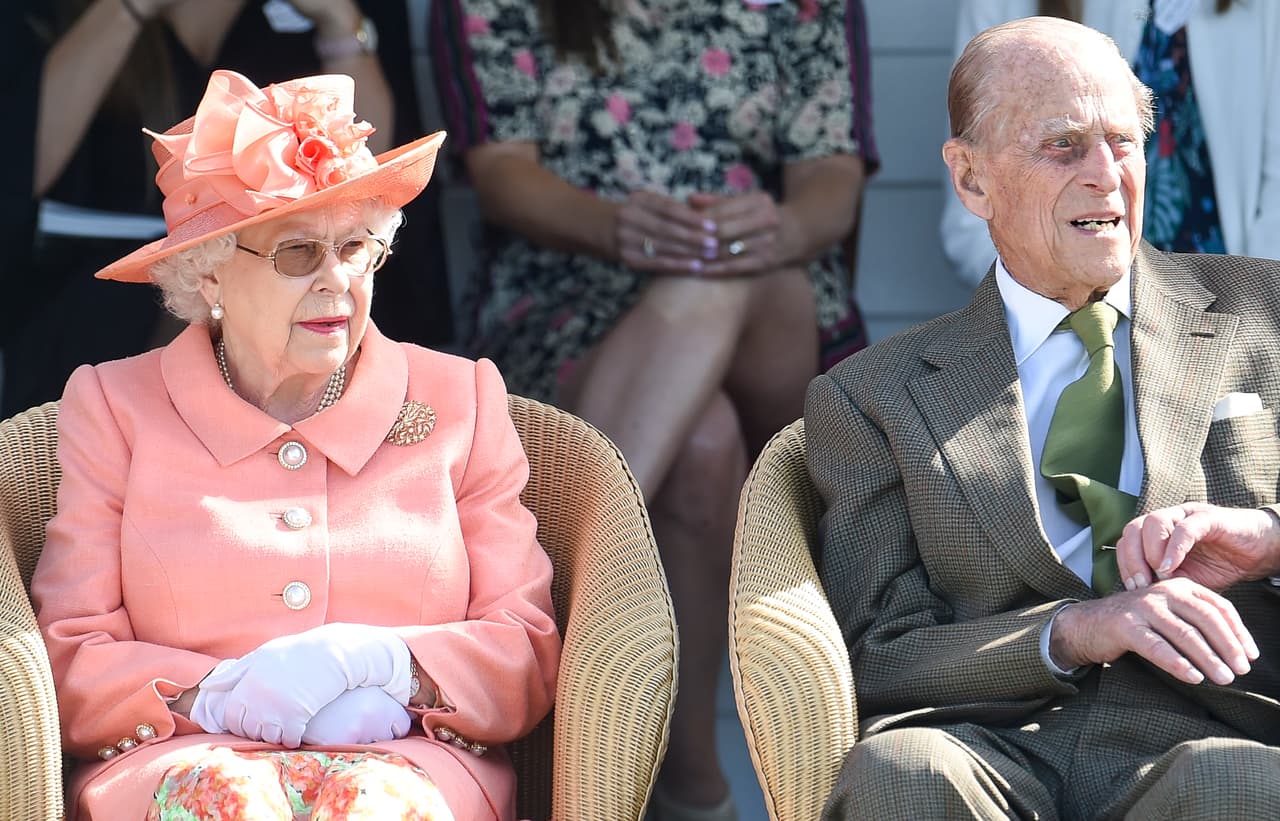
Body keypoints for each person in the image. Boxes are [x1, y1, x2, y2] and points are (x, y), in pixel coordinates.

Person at [30, 69, 561, 820]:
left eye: (356, 247)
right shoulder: (114, 407)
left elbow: (526, 650)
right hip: (179, 761)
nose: (338, 282)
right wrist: (215, 695)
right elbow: (69, 656)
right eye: (298, 254)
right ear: (207, 270)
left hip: (407, 764)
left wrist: (389, 667)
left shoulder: (460, 399)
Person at [808, 17, 1280, 819]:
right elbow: (880, 653)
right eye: (1063, 145)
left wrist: (1269, 539)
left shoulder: (1265, 310)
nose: (1105, 175)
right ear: (972, 180)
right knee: (902, 772)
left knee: (1238, 786)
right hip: (992, 743)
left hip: (1224, 725)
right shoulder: (870, 395)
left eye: (1122, 142)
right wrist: (1076, 629)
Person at [428, 1, 876, 816]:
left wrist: (773, 227)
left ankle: (554, 593)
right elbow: (500, 172)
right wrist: (617, 227)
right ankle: (692, 786)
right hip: (571, 300)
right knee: (701, 447)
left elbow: (833, 180)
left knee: (716, 276)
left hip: (771, 293)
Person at [3, 0, 409, 417]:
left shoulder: (283, 25)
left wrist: (338, 20)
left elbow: (358, 184)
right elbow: (21, 164)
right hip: (77, 313)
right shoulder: (48, 15)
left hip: (268, 307)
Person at [941, 0, 1280, 288]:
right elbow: (970, 223)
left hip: (1233, 306)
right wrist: (1069, 308)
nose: (1107, 176)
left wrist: (1240, 309)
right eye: (1063, 141)